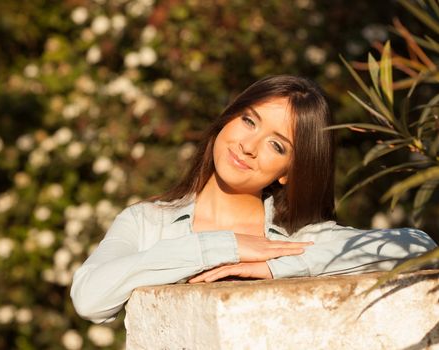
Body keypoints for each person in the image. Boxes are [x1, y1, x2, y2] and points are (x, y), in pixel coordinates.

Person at [70, 75, 437, 324]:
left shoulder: (291, 241)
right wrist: (220, 246)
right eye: (249, 121)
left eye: (276, 145)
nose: (248, 146)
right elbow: (89, 298)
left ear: (288, 171)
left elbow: (418, 246)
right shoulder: (147, 222)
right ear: (227, 119)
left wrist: (279, 267)